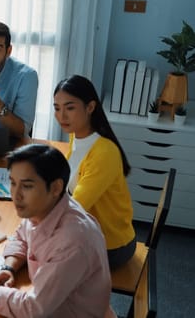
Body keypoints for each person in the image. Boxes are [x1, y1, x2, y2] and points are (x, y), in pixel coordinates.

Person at [0, 144, 115, 317]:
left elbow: (33, 309)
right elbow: (22, 235)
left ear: (56, 188)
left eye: (27, 186)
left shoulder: (73, 241)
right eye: (13, 183)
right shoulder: (45, 207)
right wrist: (8, 268)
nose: (16, 194)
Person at [53, 74, 136, 269]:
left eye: (70, 108)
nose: (61, 116)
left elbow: (76, 206)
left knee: (41, 255)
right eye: (57, 108)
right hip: (84, 231)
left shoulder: (104, 152)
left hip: (110, 244)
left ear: (90, 107)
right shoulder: (76, 136)